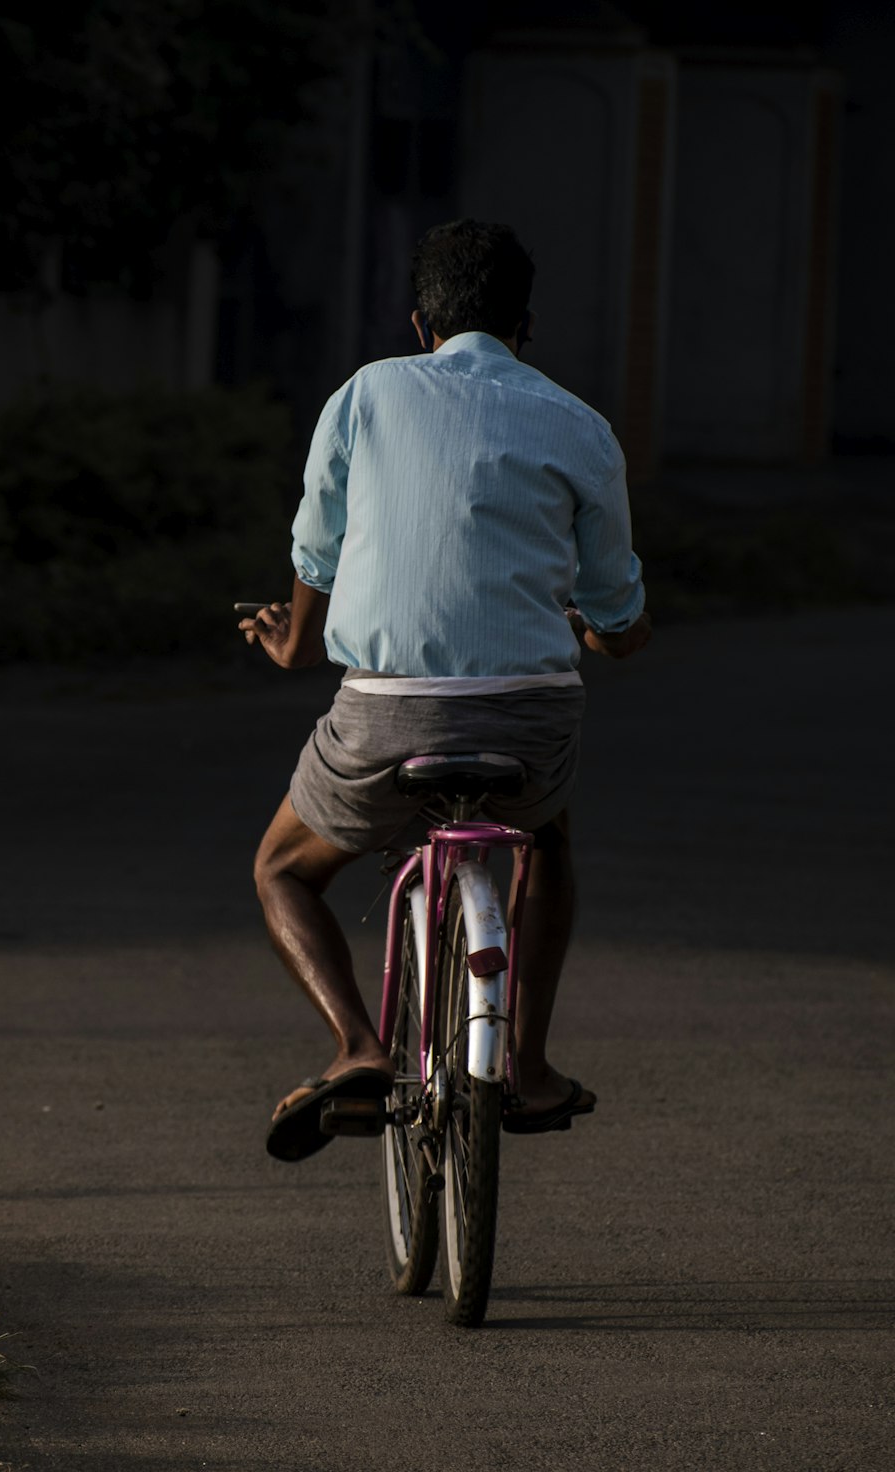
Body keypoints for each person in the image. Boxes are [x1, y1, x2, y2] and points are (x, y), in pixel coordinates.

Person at [239, 218, 651, 1162]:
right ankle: (532, 1069)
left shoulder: (365, 396)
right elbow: (616, 615)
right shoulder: (579, 423)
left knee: (280, 870)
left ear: (421, 323)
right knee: (544, 841)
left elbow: (316, 556)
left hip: (384, 715)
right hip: (531, 718)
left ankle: (355, 1046)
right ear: (527, 327)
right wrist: (612, 629)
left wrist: (289, 641)